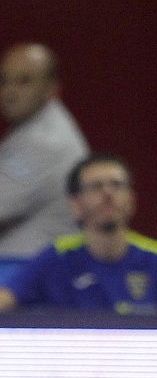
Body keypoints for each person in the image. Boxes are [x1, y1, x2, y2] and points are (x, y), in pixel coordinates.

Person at [0, 154, 157, 314]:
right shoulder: (57, 258)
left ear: (131, 201)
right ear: (76, 205)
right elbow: (7, 298)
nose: (108, 193)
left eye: (117, 185)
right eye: (96, 187)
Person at [0, 43, 90, 257]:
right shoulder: (33, 128)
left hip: (29, 275)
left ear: (52, 89)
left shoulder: (45, 141)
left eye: (24, 82)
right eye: (4, 81)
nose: (10, 92)